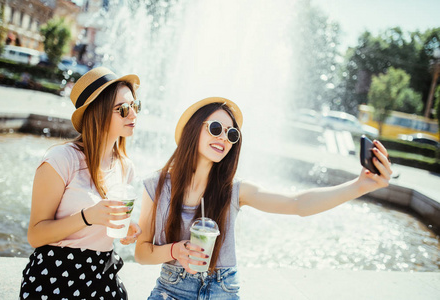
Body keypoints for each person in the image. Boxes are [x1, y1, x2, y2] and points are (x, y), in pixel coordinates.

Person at [134, 97, 393, 299]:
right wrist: (175, 251)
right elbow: (141, 253)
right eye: (215, 128)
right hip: (171, 292)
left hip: (223, 292)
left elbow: (298, 204)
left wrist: (359, 186)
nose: (223, 138)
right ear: (193, 129)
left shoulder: (234, 190)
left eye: (231, 134)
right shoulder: (156, 186)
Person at [19, 67, 142, 300]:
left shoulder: (125, 166)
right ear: (98, 113)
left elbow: (101, 224)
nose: (133, 115)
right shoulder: (60, 160)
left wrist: (126, 226)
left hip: (103, 273)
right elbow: (35, 235)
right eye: (124, 109)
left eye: (135, 106)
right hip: (56, 274)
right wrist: (88, 217)